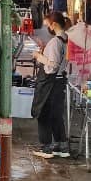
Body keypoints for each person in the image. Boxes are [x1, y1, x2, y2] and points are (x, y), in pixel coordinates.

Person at [30, 12, 70, 159]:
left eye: (47, 25)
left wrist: (39, 56)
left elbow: (52, 66)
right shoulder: (65, 39)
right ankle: (61, 146)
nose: (47, 27)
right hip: (60, 81)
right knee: (56, 115)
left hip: (50, 83)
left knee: (44, 114)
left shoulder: (55, 42)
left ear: (53, 24)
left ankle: (46, 147)